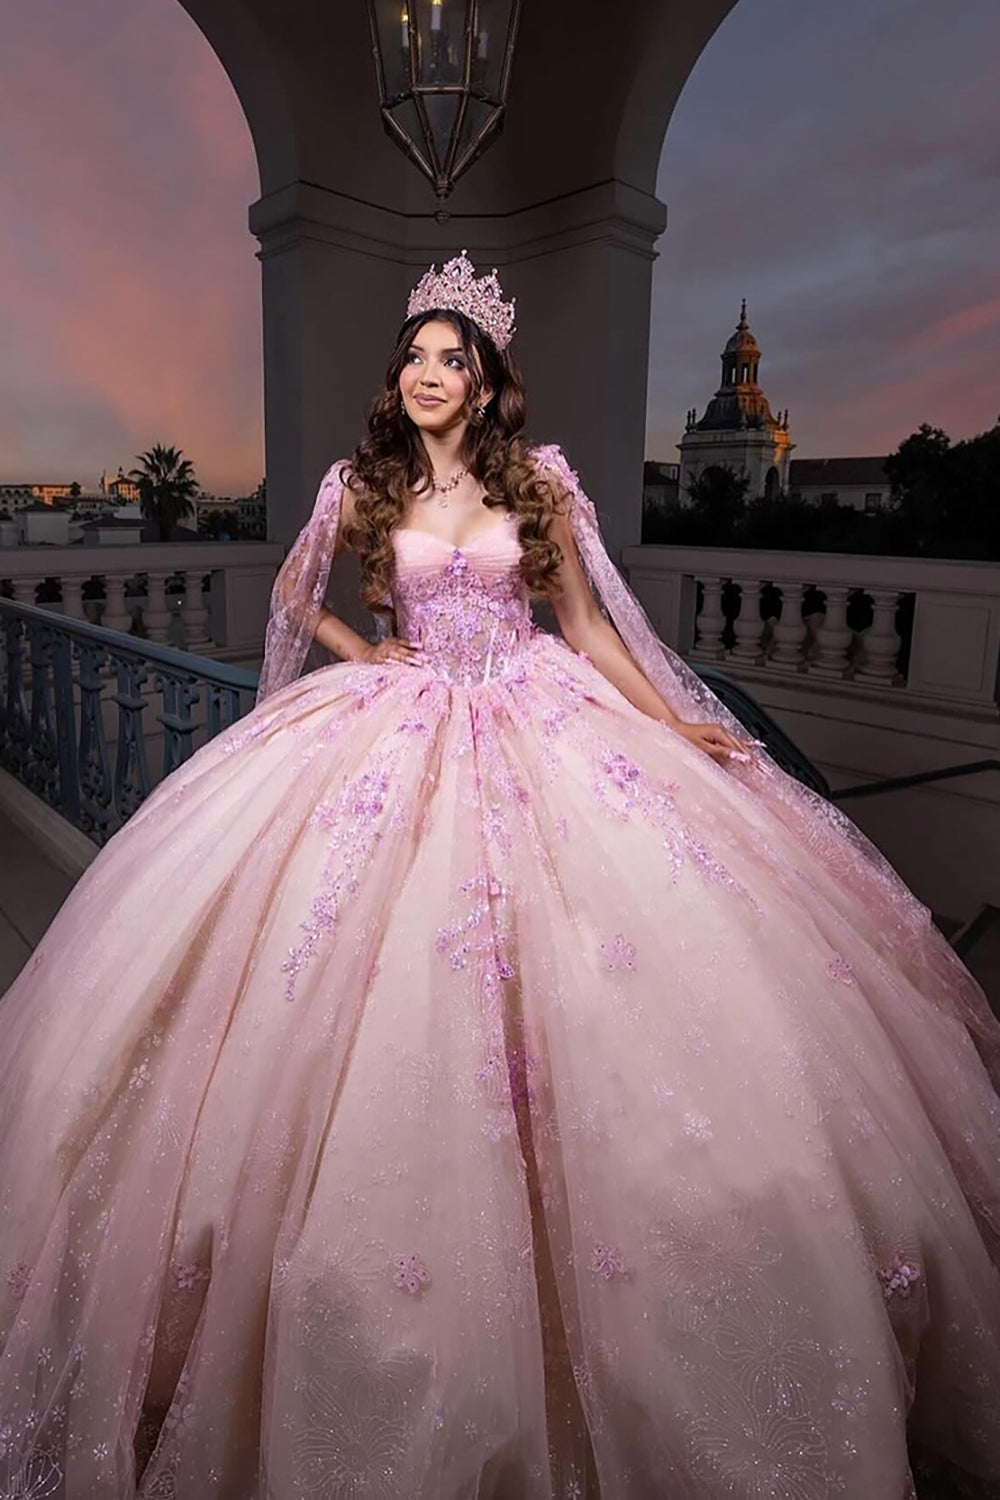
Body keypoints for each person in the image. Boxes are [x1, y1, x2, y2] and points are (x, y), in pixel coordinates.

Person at [1, 252, 998, 1500]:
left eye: (452, 358)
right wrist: (365, 651)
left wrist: (673, 719)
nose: (428, 374)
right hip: (405, 726)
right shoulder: (360, 486)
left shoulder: (541, 486)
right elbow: (298, 596)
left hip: (540, 720)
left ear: (484, 383)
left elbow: (585, 628)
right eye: (414, 356)